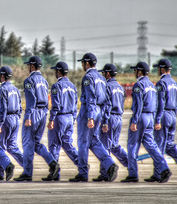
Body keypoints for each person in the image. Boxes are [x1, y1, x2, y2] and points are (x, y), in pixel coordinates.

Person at [69, 53, 118, 182]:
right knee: (94, 141)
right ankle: (110, 164)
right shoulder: (102, 78)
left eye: (82, 63)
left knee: (83, 142)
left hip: (88, 111)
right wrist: (104, 119)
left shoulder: (88, 77)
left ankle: (83, 173)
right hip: (99, 110)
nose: (82, 65)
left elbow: (90, 97)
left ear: (87, 63)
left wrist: (90, 117)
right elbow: (107, 100)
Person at [121, 61, 172, 183]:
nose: (134, 73)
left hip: (141, 117)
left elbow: (138, 105)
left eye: (135, 71)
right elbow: (156, 104)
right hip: (150, 117)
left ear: (139, 71)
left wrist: (134, 121)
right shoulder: (152, 85)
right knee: (151, 145)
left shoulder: (139, 85)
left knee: (133, 145)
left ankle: (133, 173)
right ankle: (164, 167)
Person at [147, 58, 177, 183]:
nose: (157, 70)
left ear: (162, 69)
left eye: (158, 68)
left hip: (164, 115)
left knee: (159, 146)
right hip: (173, 115)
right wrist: (174, 116)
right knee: (169, 145)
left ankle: (160, 173)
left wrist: (157, 120)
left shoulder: (162, 83)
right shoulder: (174, 83)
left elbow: (161, 103)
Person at [14, 56, 60, 182]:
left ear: (32, 66)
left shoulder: (29, 80)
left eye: (28, 65)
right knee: (36, 143)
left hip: (33, 113)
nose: (27, 67)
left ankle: (27, 172)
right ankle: (52, 163)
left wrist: (28, 116)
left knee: (28, 144)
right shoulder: (44, 81)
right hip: (43, 113)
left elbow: (31, 100)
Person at [43, 61, 79, 181]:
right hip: (70, 118)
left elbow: (56, 105)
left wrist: (51, 119)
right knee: (68, 144)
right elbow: (75, 105)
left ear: (58, 72)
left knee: (54, 146)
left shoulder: (56, 86)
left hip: (60, 118)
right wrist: (73, 118)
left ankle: (54, 173)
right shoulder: (73, 86)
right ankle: (82, 164)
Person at [0, 66, 24, 181]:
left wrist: (0, 124)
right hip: (15, 119)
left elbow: (2, 108)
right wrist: (17, 118)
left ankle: (0, 172)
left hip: (6, 119)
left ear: (2, 76)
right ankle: (28, 167)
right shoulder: (15, 89)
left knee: (0, 146)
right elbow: (20, 107)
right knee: (12, 146)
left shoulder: (2, 89)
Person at [95, 63, 128, 181]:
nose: (103, 75)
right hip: (118, 118)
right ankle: (130, 163)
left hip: (109, 119)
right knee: (114, 145)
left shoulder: (106, 86)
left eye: (103, 73)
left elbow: (106, 105)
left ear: (107, 73)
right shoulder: (120, 87)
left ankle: (105, 173)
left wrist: (104, 121)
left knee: (105, 146)